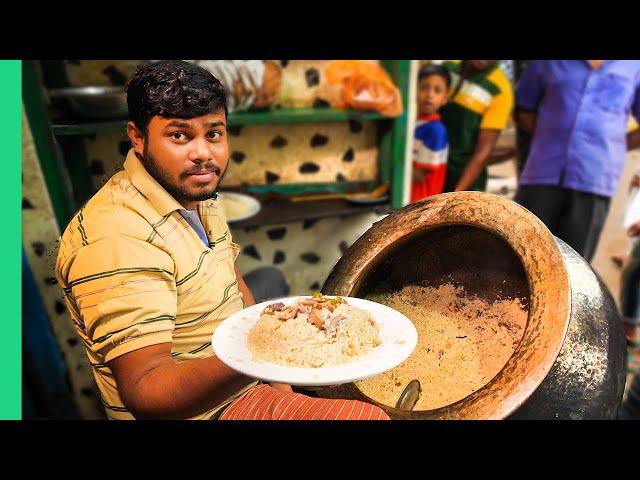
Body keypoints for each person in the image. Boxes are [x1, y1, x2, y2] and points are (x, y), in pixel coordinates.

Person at [55, 60, 390, 420]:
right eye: (179, 135)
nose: (203, 153)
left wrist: (282, 385)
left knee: (270, 282)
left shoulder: (194, 192)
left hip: (239, 376)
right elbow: (148, 394)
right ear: (137, 137)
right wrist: (269, 352)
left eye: (213, 133)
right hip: (204, 410)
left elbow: (234, 284)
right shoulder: (118, 238)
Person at [514, 60, 640, 262]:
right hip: (542, 172)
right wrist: (550, 137)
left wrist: (615, 144)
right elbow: (525, 111)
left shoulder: (634, 66)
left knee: (575, 267)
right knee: (520, 254)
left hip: (595, 179)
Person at [439, 60, 515, 192]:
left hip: (464, 180)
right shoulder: (448, 67)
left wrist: (457, 193)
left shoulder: (500, 89)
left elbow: (483, 151)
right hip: (429, 170)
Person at [411, 64, 450, 202]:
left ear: (445, 98)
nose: (429, 95)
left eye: (437, 90)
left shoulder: (435, 130)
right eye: (424, 88)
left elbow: (420, 175)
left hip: (420, 205)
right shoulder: (414, 122)